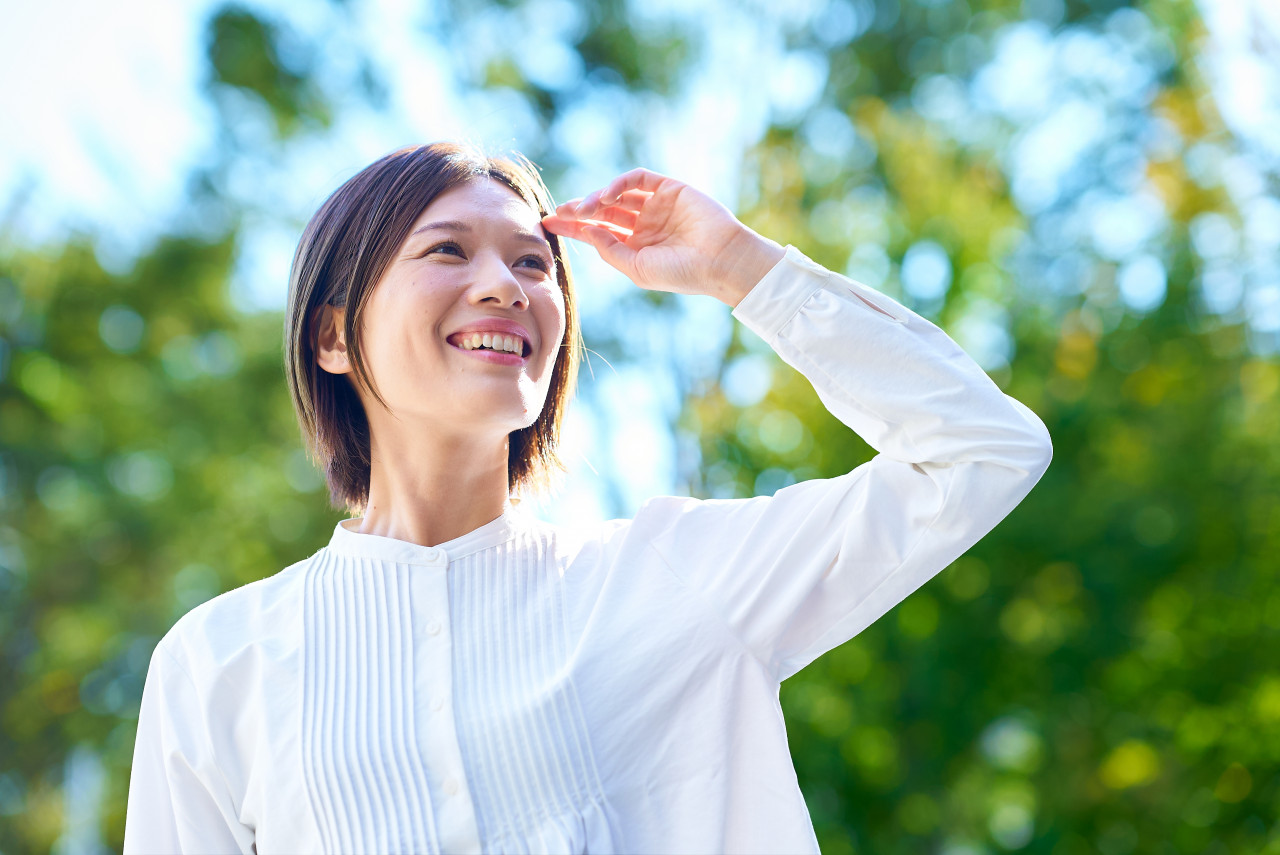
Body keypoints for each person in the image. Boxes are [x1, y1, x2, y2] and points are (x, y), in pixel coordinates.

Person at [123, 140, 1052, 854]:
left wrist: (740, 266)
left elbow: (982, 451)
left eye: (534, 264)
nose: (504, 285)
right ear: (332, 337)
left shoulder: (672, 580)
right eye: (447, 249)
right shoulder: (218, 662)